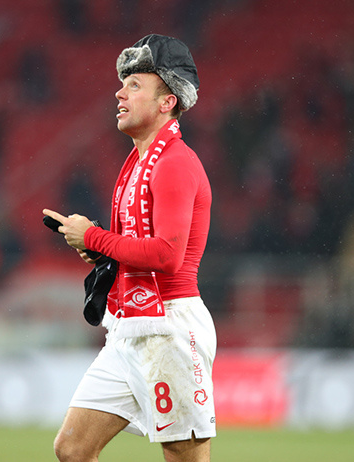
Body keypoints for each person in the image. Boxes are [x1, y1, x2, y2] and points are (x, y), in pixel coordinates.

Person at [43, 34, 215, 462]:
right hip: (131, 326)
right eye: (123, 84)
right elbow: (139, 247)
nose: (119, 93)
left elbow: (167, 256)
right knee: (72, 449)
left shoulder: (174, 162)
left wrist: (94, 237)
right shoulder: (140, 163)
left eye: (135, 85)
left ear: (167, 102)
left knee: (182, 456)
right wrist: (102, 251)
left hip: (169, 327)